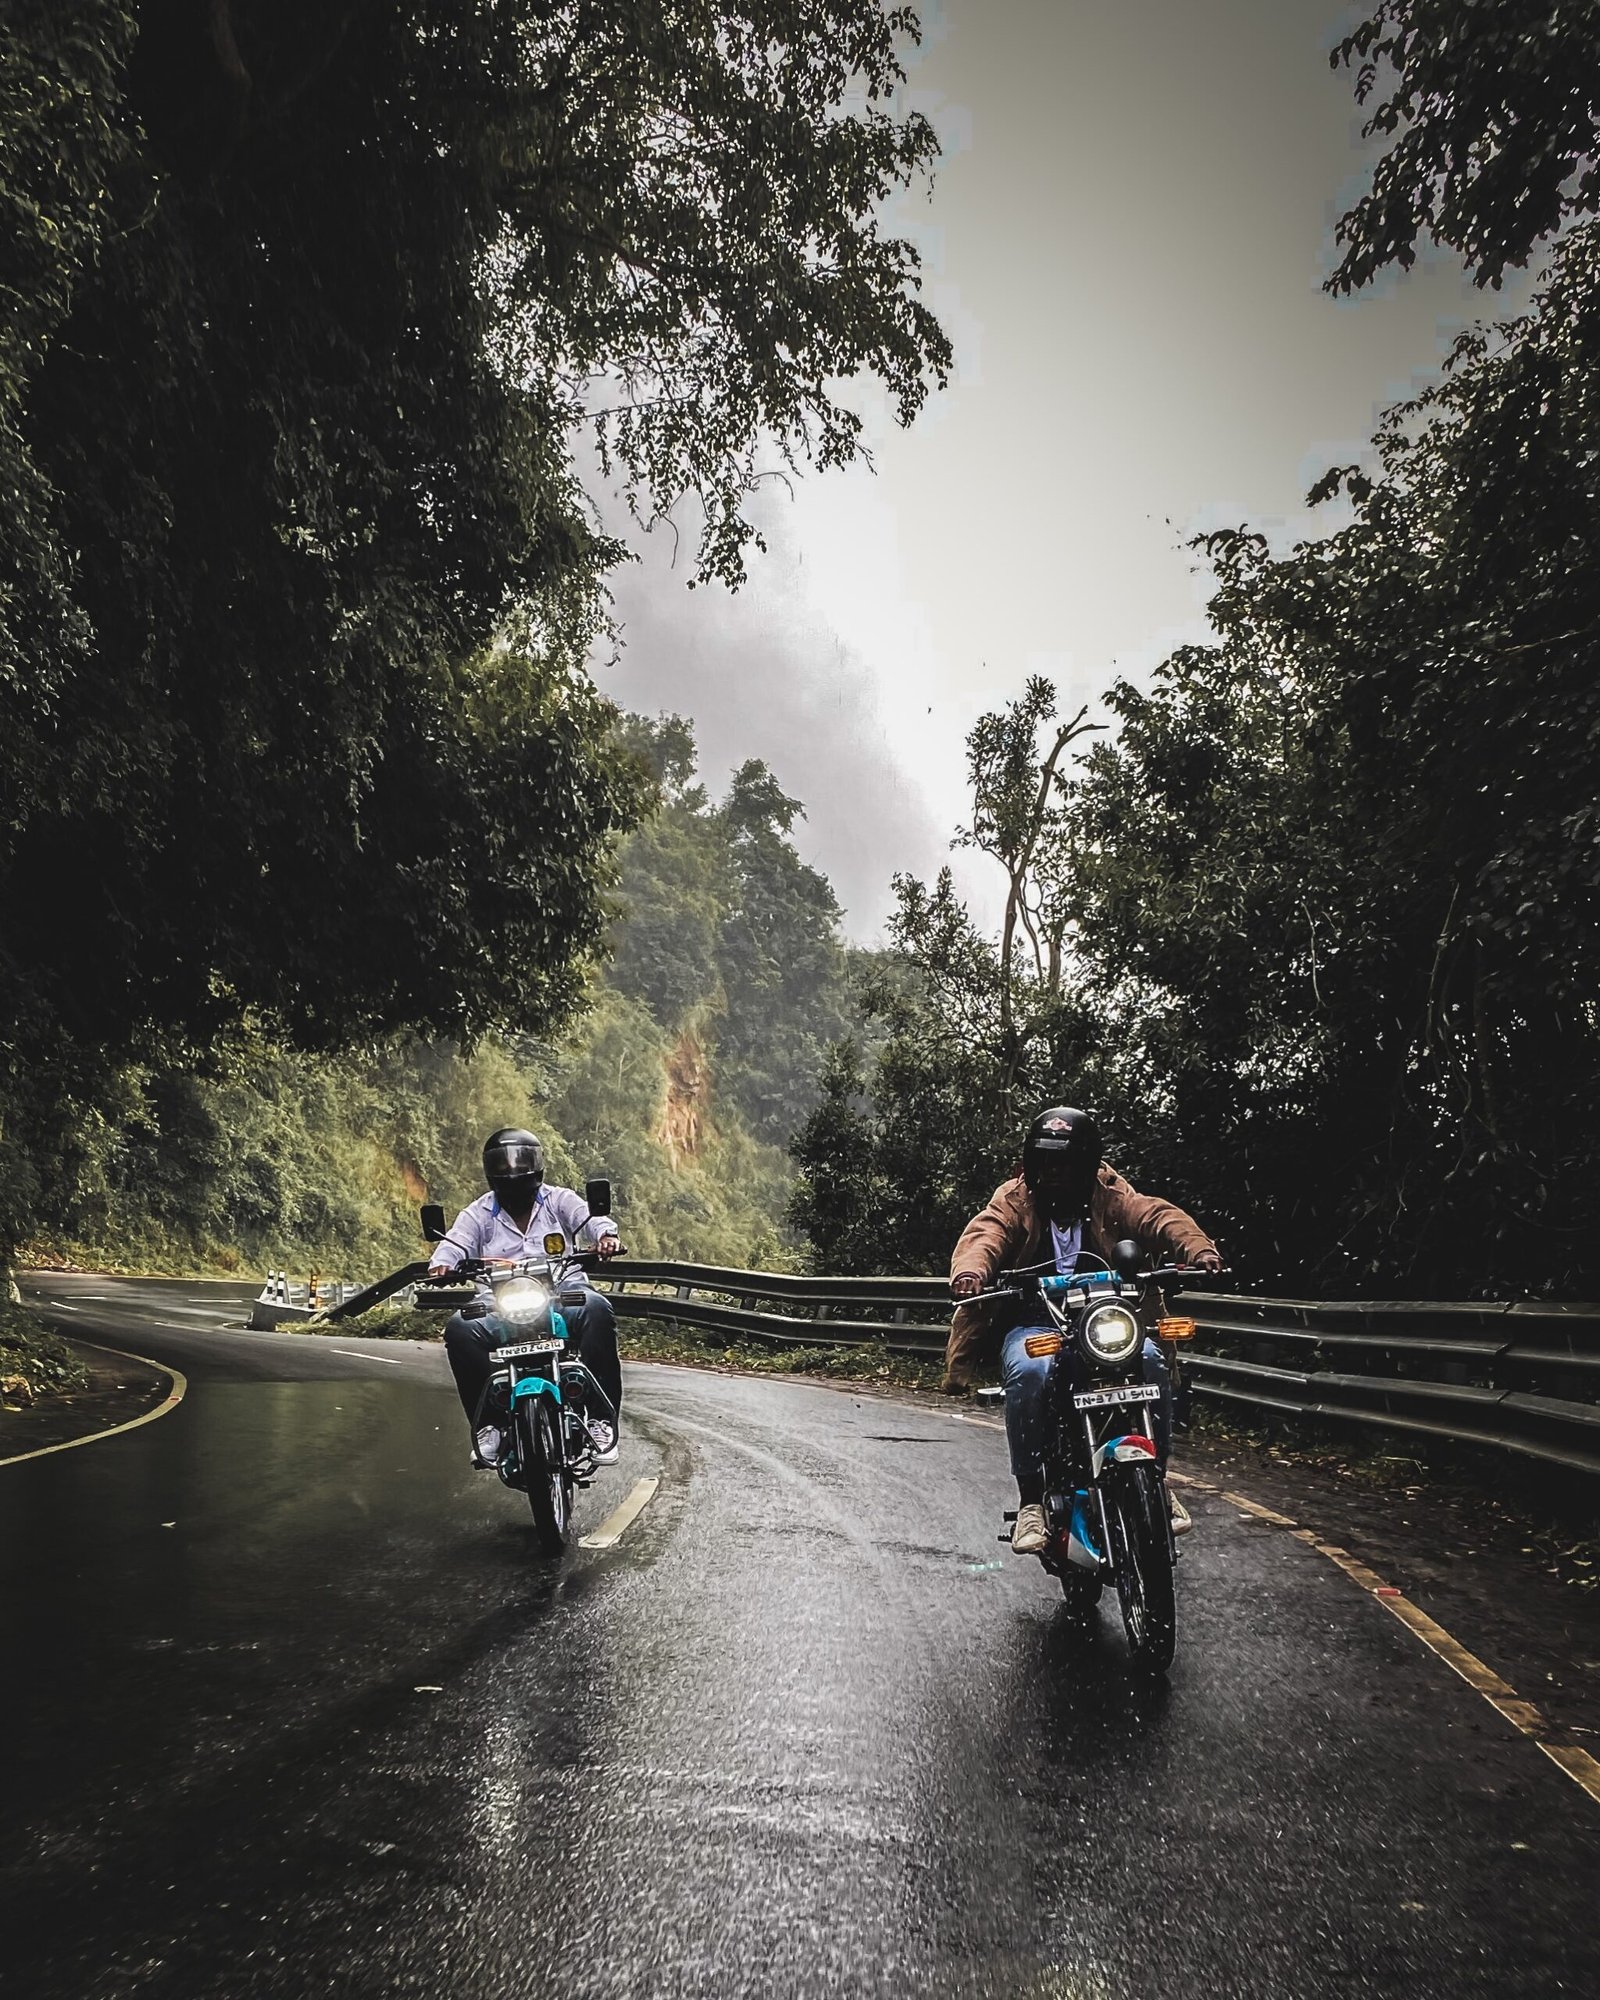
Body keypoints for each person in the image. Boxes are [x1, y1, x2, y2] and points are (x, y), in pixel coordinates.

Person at [947, 1106, 1221, 1556]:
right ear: (1031, 1164)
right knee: (1030, 1373)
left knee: (1151, 1361)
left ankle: (1159, 1479)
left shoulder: (1112, 1195)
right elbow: (986, 1235)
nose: (1055, 1173)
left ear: (1089, 1166)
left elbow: (1155, 1216)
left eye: (1067, 1163)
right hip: (1037, 1320)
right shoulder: (1014, 1200)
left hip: (1105, 1318)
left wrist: (1197, 1249)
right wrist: (971, 1273)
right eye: (1045, 1162)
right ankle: (1031, 1499)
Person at [430, 1128, 623, 1469]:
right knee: (460, 1328)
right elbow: (455, 1243)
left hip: (561, 1293)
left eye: (521, 1161)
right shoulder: (478, 1214)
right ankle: (488, 1425)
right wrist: (444, 1264)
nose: (513, 1170)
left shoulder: (559, 1200)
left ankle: (601, 1418)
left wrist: (605, 1236)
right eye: (502, 1164)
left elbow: (591, 1221)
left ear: (537, 1166)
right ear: (491, 1171)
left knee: (597, 1309)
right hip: (499, 1302)